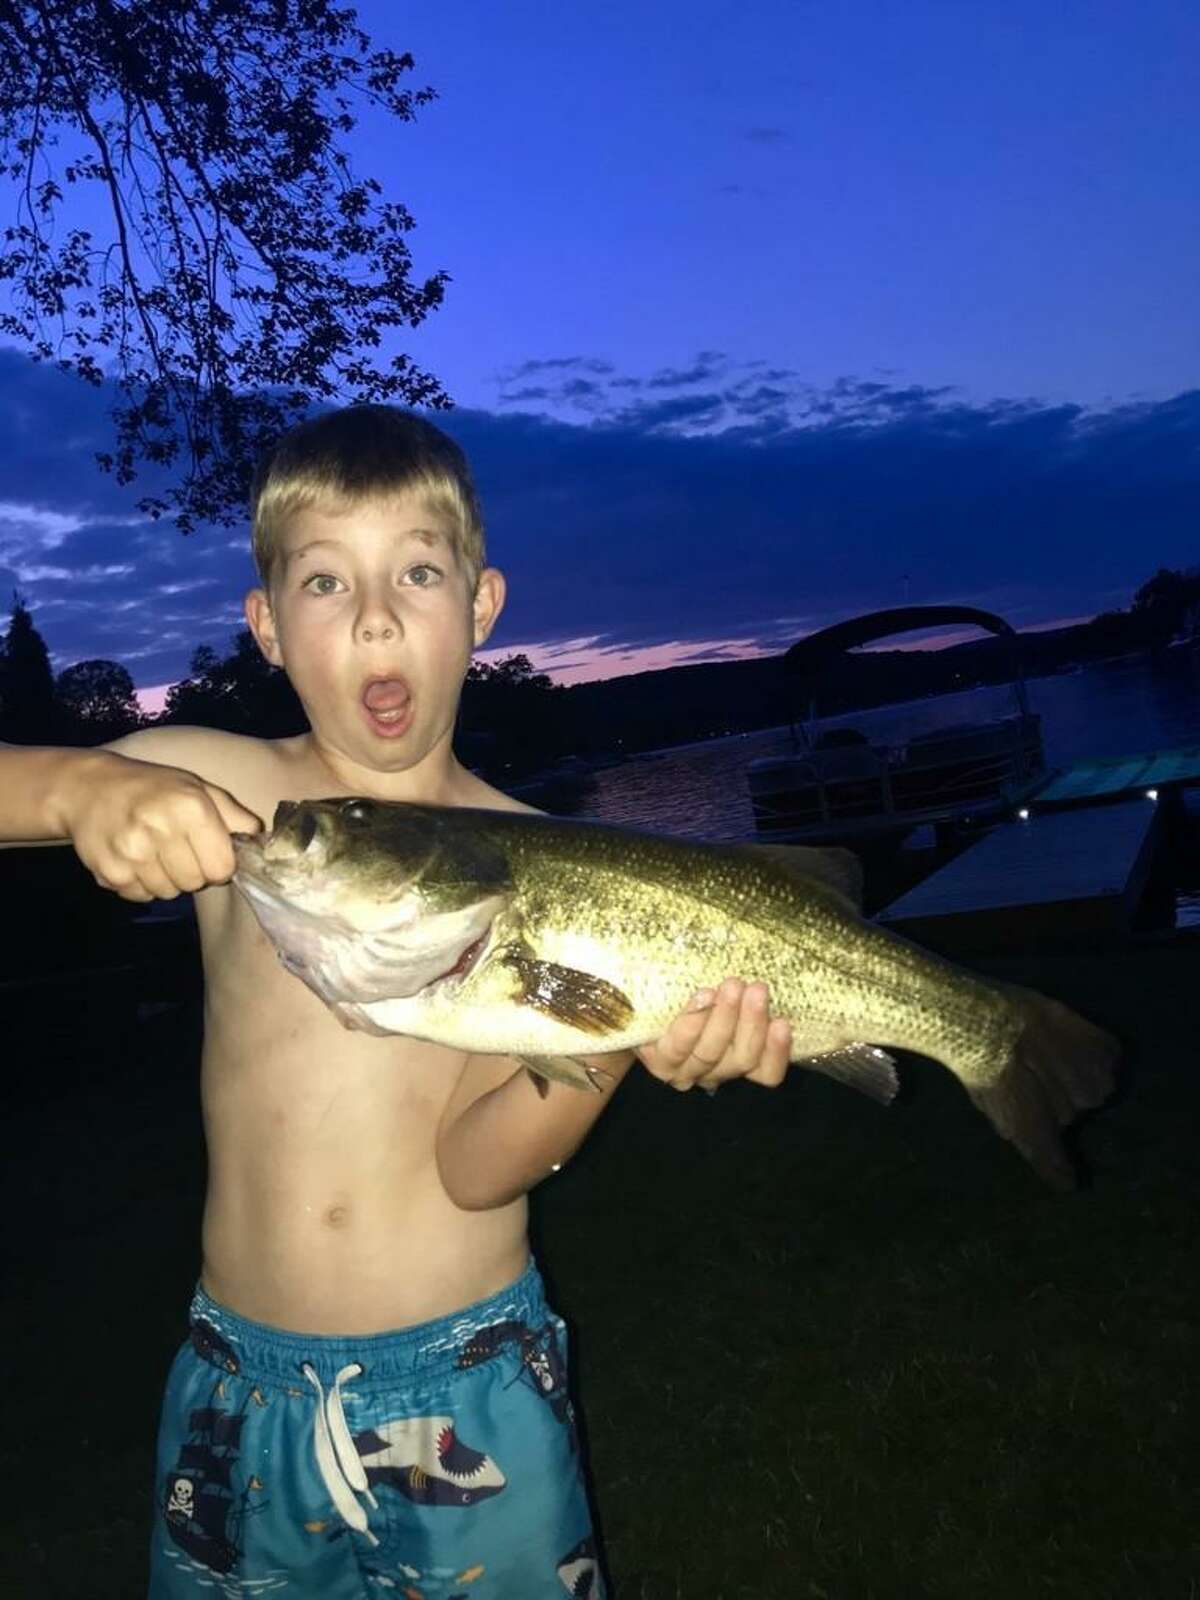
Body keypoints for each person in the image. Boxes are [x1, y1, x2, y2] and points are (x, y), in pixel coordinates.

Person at [0, 405, 799, 1598]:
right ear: (267, 625)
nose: (375, 615)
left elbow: (477, 1170)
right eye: (327, 581)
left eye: (417, 571)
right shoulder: (242, 801)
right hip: (237, 1387)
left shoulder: (543, 863)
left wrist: (620, 1035)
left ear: (478, 607)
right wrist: (83, 787)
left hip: (467, 1378)